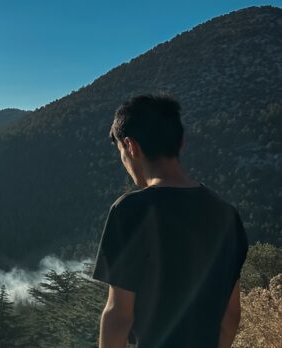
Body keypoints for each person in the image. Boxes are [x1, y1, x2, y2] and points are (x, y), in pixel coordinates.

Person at [92, 94, 248, 348]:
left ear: (131, 146)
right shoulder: (227, 214)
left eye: (121, 151)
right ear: (181, 143)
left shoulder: (130, 210)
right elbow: (231, 315)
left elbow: (119, 315)